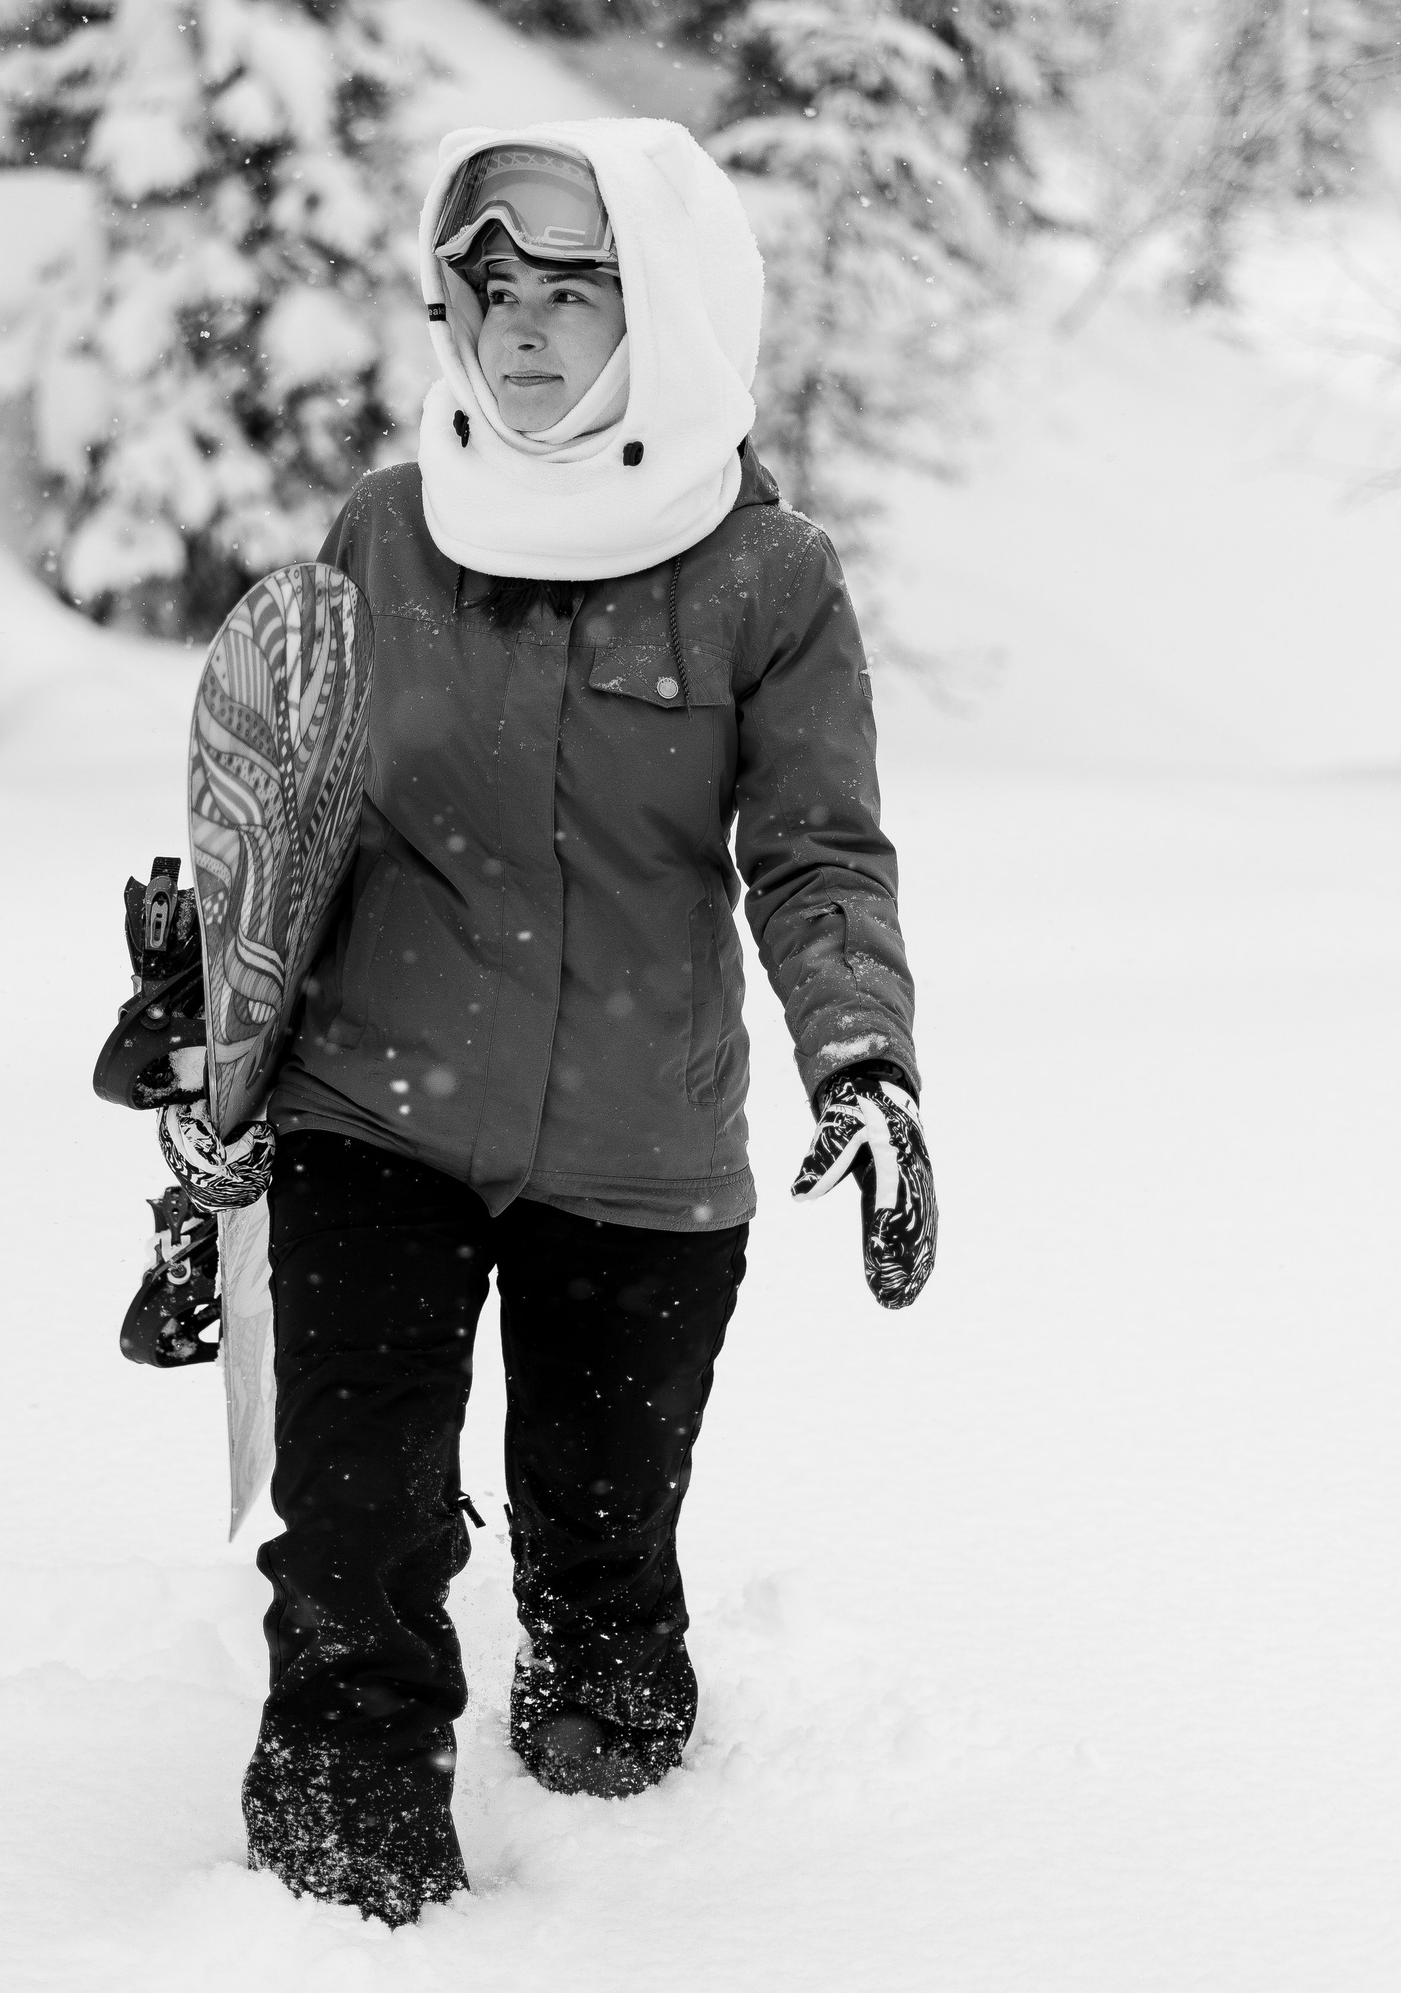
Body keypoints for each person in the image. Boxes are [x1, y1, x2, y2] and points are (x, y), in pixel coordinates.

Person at [239, 120, 935, 1924]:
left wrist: (862, 1054)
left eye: (576, 290)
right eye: (492, 288)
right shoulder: (386, 532)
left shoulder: (768, 577)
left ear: (670, 311)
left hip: (636, 1144)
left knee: (603, 1547)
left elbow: (816, 850)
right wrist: (204, 1053)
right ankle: (338, 1866)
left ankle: (616, 1771)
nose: (523, 328)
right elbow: (286, 815)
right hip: (373, 1109)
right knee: (356, 1513)